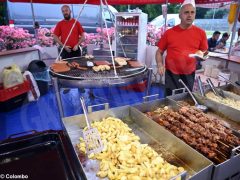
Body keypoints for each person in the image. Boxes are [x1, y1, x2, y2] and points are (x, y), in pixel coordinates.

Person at [155, 0, 208, 96]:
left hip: (189, 73)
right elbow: (159, 52)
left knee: (186, 99)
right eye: (186, 12)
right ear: (180, 15)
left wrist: (202, 56)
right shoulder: (169, 33)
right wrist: (159, 64)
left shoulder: (201, 33)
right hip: (171, 73)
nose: (189, 15)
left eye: (192, 12)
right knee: (169, 99)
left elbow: (204, 52)